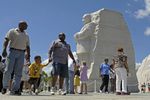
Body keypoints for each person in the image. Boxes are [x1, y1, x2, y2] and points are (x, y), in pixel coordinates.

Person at [1, 21, 30, 95]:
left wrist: (28, 57)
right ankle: (4, 87)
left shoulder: (26, 35)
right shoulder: (12, 31)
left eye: (26, 25)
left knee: (18, 72)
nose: (26, 26)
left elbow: (28, 46)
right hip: (12, 52)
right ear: (20, 25)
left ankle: (15, 89)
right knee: (8, 70)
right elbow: (6, 40)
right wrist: (4, 49)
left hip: (22, 53)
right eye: (25, 25)